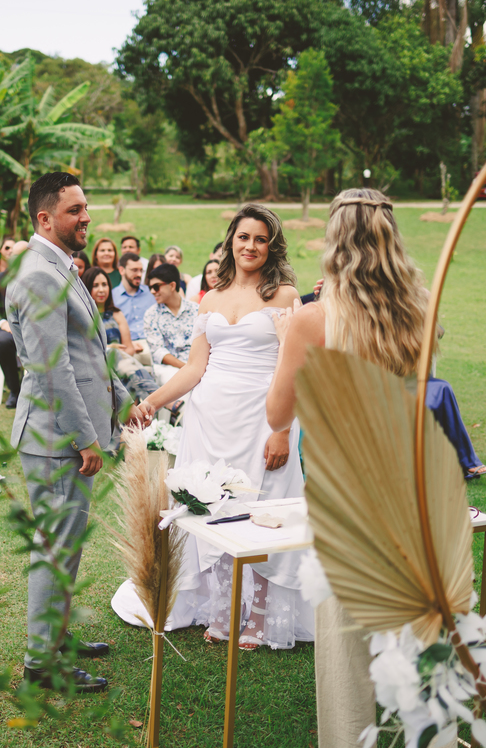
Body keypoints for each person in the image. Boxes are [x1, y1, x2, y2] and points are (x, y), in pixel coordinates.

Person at [265, 188, 475, 747]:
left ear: (335, 241)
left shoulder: (313, 319)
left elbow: (278, 414)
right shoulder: (420, 309)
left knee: (345, 646)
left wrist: (289, 337)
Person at [122, 203, 312, 651]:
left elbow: (297, 367)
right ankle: (224, 608)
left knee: (263, 509)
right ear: (231, 241)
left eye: (261, 239)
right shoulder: (210, 297)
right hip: (209, 419)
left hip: (263, 417)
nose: (251, 246)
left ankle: (260, 615)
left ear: (272, 246)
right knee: (214, 509)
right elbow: (195, 368)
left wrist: (281, 430)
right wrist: (151, 402)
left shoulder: (286, 295)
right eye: (244, 237)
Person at [6, 172, 141, 693]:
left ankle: (57, 638)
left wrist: (123, 403)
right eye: (75, 210)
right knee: (55, 548)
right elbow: (53, 369)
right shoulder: (40, 274)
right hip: (55, 438)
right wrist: (85, 437)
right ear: (45, 219)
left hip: (65, 433)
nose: (87, 217)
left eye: (86, 207)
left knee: (66, 545)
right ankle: (41, 665)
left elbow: (88, 353)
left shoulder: (59, 264)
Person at [82, 267, 158, 401]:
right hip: (97, 366)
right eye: (95, 286)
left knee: (118, 358)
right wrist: (109, 348)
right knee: (112, 352)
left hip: (122, 364)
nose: (101, 290)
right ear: (87, 288)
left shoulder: (116, 314)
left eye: (104, 285)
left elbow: (129, 348)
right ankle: (156, 395)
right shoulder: (84, 317)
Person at [142, 263, 198, 388]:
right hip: (167, 369)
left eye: (156, 287)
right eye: (150, 287)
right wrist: (187, 368)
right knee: (180, 383)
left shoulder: (196, 310)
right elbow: (158, 351)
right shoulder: (151, 315)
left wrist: (197, 368)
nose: (152, 291)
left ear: (172, 285)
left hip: (198, 365)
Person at [0, 241, 26, 408]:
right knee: (3, 342)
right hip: (10, 328)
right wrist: (4, 323)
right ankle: (15, 390)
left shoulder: (39, 278)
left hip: (35, 328)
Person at [112, 252, 156, 352]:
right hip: (126, 346)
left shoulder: (151, 293)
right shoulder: (112, 297)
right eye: (134, 270)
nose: (139, 274)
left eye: (141, 270)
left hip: (152, 344)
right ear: (122, 270)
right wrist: (128, 345)